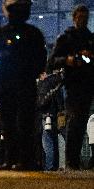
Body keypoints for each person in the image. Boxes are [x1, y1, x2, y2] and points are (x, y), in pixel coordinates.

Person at [0, 0, 47, 170]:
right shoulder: (28, 33)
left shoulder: (30, 34)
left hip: (20, 83)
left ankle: (22, 159)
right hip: (13, 83)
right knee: (12, 122)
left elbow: (40, 59)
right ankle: (15, 158)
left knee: (24, 122)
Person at [48, 4, 94, 170]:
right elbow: (52, 61)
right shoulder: (67, 38)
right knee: (74, 121)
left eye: (85, 18)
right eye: (80, 17)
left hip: (87, 85)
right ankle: (71, 161)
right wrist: (69, 60)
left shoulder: (90, 38)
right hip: (73, 84)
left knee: (80, 123)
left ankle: (73, 161)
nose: (82, 21)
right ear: (74, 18)